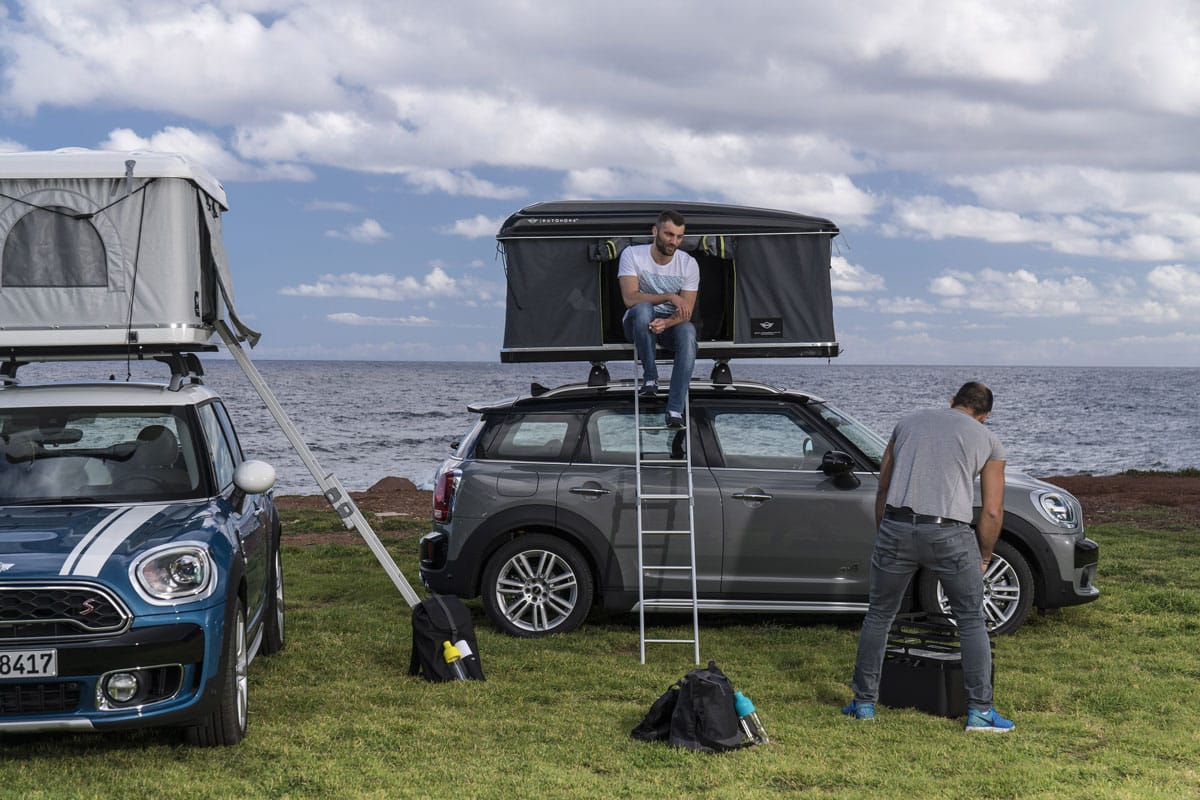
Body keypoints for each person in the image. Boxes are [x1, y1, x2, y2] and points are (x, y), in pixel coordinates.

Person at [843, 381, 1014, 732]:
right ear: (985, 415)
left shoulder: (907, 423)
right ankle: (980, 712)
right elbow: (993, 511)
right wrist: (984, 555)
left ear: (952, 401)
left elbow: (884, 486)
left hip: (897, 525)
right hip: (950, 533)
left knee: (879, 615)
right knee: (969, 620)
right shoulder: (989, 440)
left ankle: (863, 704)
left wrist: (886, 533)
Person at [618, 210, 699, 428]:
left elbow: (686, 311)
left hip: (670, 324)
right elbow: (629, 298)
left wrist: (667, 323)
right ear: (655, 231)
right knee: (643, 308)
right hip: (637, 324)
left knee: (689, 331)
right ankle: (650, 377)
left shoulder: (689, 264)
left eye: (679, 237)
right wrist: (669, 296)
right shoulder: (633, 254)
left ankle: (674, 410)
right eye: (669, 234)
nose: (674, 242)